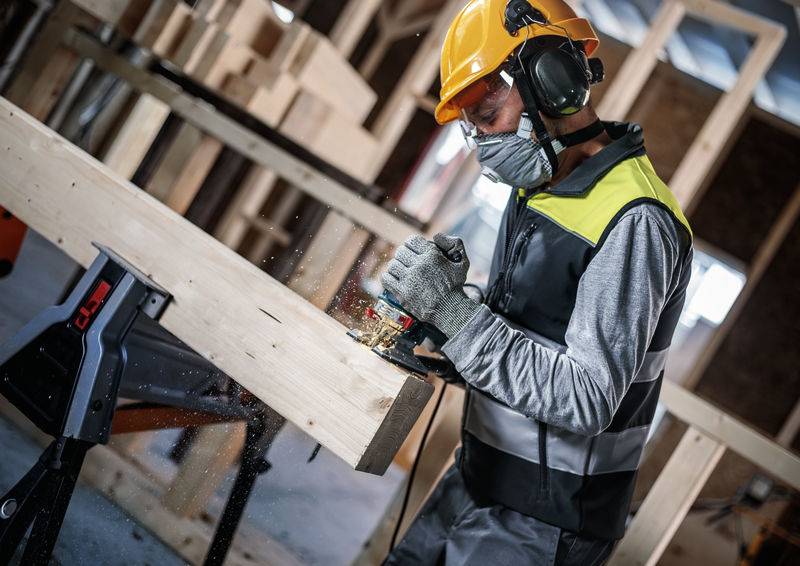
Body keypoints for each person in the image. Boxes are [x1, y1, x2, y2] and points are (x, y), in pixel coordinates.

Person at [380, 1, 694, 564]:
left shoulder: (635, 220)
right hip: (478, 474)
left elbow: (586, 396)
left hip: (546, 522)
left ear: (551, 81)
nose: (481, 142)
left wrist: (458, 318)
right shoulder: (542, 184)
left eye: (485, 114)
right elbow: (535, 337)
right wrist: (452, 309)